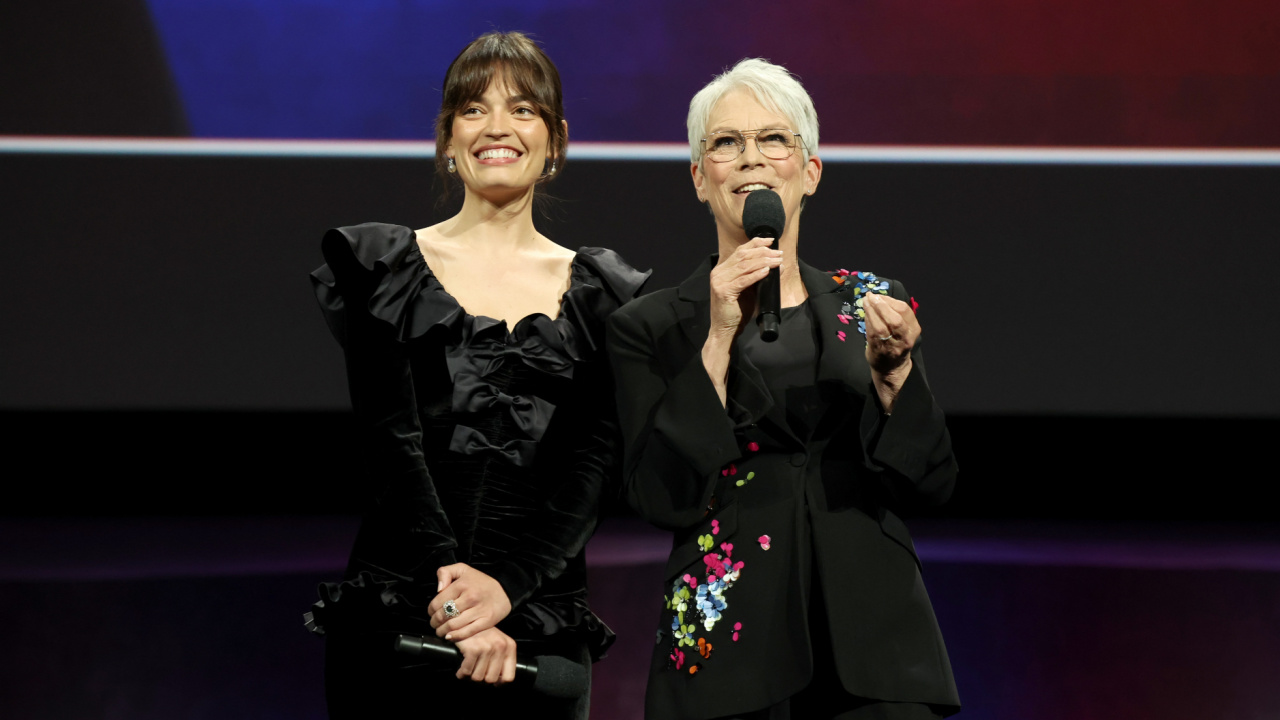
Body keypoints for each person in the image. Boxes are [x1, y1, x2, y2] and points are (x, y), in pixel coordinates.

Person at [304, 31, 648, 719]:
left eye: (523, 110)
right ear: (447, 139)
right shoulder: (384, 265)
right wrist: (461, 599)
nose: (497, 127)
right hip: (404, 611)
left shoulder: (606, 293)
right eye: (473, 109)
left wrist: (507, 589)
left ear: (555, 142)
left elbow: (594, 465)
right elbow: (391, 441)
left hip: (538, 623)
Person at [605, 58, 961, 720]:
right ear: (698, 179)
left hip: (875, 647)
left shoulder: (872, 307)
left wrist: (894, 375)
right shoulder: (648, 326)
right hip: (727, 646)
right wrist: (714, 338)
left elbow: (930, 482)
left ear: (811, 171)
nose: (751, 161)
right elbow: (658, 493)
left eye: (775, 140)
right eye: (725, 143)